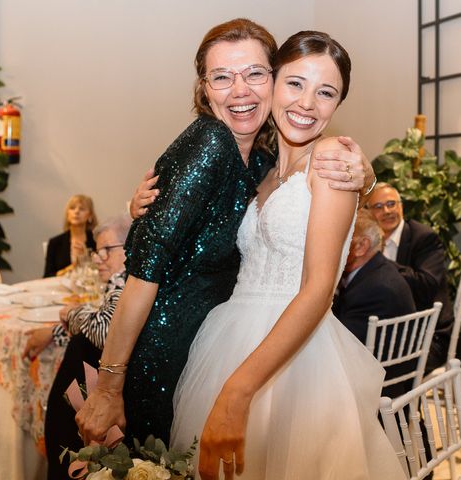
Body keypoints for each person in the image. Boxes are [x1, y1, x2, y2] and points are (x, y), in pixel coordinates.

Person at [76, 18, 375, 448]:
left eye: (254, 73)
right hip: (158, 351)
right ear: (204, 89)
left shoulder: (263, 165)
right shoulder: (211, 142)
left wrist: (367, 177)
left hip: (224, 350)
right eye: (222, 77)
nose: (240, 90)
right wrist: (108, 385)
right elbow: (146, 268)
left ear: (270, 79)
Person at [171, 30, 402, 480]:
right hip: (230, 339)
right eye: (295, 83)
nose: (307, 104)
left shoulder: (333, 158)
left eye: (326, 92)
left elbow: (318, 289)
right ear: (273, 83)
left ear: (338, 105)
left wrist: (238, 390)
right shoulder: (261, 169)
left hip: (296, 359)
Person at [24, 214, 131, 480]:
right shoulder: (119, 284)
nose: (98, 258)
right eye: (97, 251)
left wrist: (70, 313)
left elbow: (104, 333)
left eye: (107, 249)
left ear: (130, 249)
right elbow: (92, 331)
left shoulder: (128, 283)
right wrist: (57, 331)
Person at [366, 182, 453, 372]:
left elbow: (427, 286)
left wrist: (380, 261)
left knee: (371, 369)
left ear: (401, 207)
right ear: (369, 213)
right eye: (378, 207)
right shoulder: (367, 240)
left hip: (427, 337)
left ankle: (397, 402)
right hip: (388, 332)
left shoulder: (423, 238)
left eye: (391, 204)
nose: (387, 211)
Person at [332, 209, 416, 399]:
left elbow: (341, 346)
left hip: (373, 388)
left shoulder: (375, 289)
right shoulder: (377, 271)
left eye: (339, 240)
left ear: (362, 246)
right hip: (380, 370)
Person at [43, 194, 97, 277]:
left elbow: (103, 270)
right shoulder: (55, 242)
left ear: (90, 216)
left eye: (81, 209)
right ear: (67, 214)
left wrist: (86, 257)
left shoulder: (97, 240)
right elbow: (47, 276)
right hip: (60, 288)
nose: (76, 212)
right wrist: (73, 266)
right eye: (72, 208)